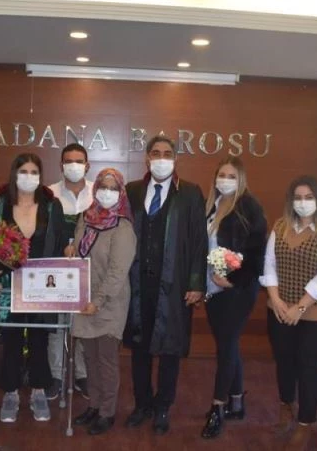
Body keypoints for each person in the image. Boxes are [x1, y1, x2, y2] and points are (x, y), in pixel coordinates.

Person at [123, 135, 207, 435]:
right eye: (156, 153)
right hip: (138, 283)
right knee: (140, 347)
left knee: (170, 348)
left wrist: (196, 283)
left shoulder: (190, 193)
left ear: (175, 159)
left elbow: (199, 241)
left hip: (174, 284)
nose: (161, 158)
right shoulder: (132, 190)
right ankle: (142, 403)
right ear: (147, 158)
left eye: (167, 153)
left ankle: (163, 406)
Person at [261, 175, 317, 451]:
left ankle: (306, 422)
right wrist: (276, 300)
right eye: (298, 197)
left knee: (308, 366)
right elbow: (269, 265)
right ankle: (286, 407)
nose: (303, 202)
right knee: (284, 362)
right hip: (280, 309)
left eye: (309, 197)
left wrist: (300, 306)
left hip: (315, 312)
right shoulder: (280, 226)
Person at [0, 153, 65, 424]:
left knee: (39, 339)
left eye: (34, 172)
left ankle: (38, 391)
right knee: (11, 339)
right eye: (23, 171)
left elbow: (59, 244)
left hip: (41, 284)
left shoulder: (52, 205)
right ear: (14, 174)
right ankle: (10, 393)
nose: (29, 177)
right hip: (9, 283)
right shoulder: (0, 203)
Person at [200, 156, 267, 439]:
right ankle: (237, 402)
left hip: (237, 291)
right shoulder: (212, 205)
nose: (225, 180)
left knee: (226, 347)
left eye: (231, 176)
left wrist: (233, 280)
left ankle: (218, 407)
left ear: (240, 179)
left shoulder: (249, 207)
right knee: (228, 344)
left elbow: (257, 255)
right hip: (213, 289)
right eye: (221, 175)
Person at [70, 168, 136, 435]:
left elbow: (117, 272)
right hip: (83, 298)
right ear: (95, 189)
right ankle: (94, 406)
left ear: (121, 193)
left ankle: (107, 412)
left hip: (109, 302)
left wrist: (97, 301)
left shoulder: (123, 227)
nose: (107, 192)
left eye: (113, 188)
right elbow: (79, 250)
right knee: (90, 357)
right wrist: (71, 250)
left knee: (106, 360)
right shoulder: (85, 218)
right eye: (103, 187)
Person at [47, 143, 92, 400]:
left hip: (89, 271)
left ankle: (82, 374)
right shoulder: (49, 194)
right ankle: (55, 374)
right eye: (68, 161)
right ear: (61, 165)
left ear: (87, 165)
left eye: (79, 161)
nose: (74, 165)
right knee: (57, 325)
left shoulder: (98, 192)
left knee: (83, 324)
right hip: (57, 270)